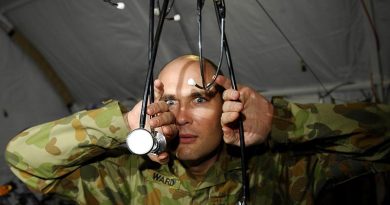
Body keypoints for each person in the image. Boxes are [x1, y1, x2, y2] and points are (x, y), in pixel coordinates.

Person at [5, 55, 390, 205]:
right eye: (169, 101)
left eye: (201, 99)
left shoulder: (283, 169)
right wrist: (118, 125)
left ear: (229, 106)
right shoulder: (125, 177)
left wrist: (284, 121)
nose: (182, 116)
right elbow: (24, 159)